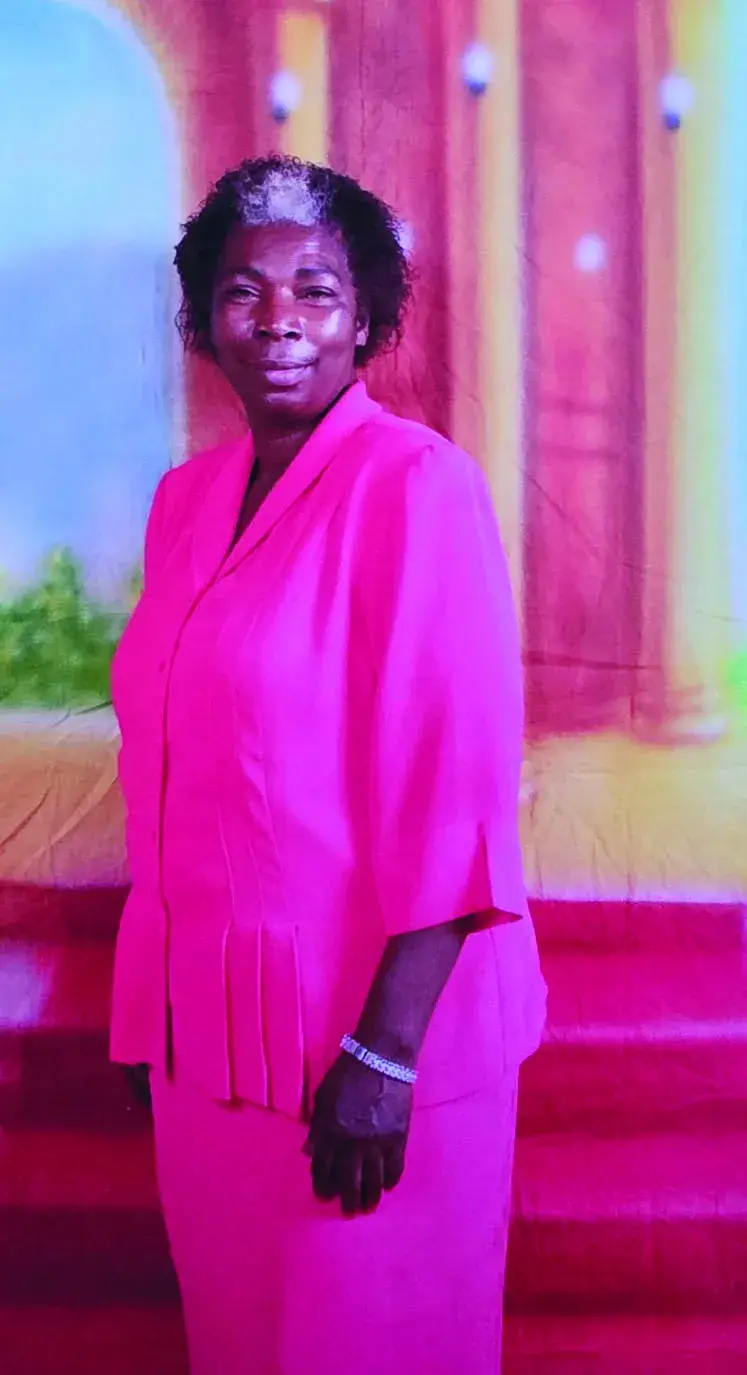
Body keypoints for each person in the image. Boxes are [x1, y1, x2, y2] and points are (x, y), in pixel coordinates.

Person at [110, 154, 546, 1375]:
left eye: (316, 288)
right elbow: (171, 764)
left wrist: (383, 1053)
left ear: (366, 319)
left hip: (366, 1045)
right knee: (240, 1344)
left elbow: (456, 793)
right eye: (244, 291)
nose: (280, 318)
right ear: (205, 319)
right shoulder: (184, 502)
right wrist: (154, 1009)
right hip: (207, 1045)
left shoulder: (419, 489)